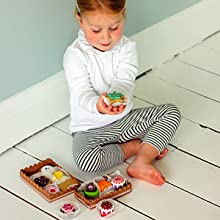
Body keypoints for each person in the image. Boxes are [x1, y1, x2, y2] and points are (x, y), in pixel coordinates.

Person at [63, 0, 181, 186]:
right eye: (96, 30)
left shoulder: (127, 47)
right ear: (80, 20)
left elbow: (125, 80)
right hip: (90, 129)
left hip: (125, 120)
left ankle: (142, 160)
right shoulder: (75, 55)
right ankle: (135, 146)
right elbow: (81, 93)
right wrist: (98, 106)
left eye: (114, 27)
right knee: (85, 160)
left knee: (171, 113)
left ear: (123, 15)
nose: (106, 38)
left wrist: (117, 97)